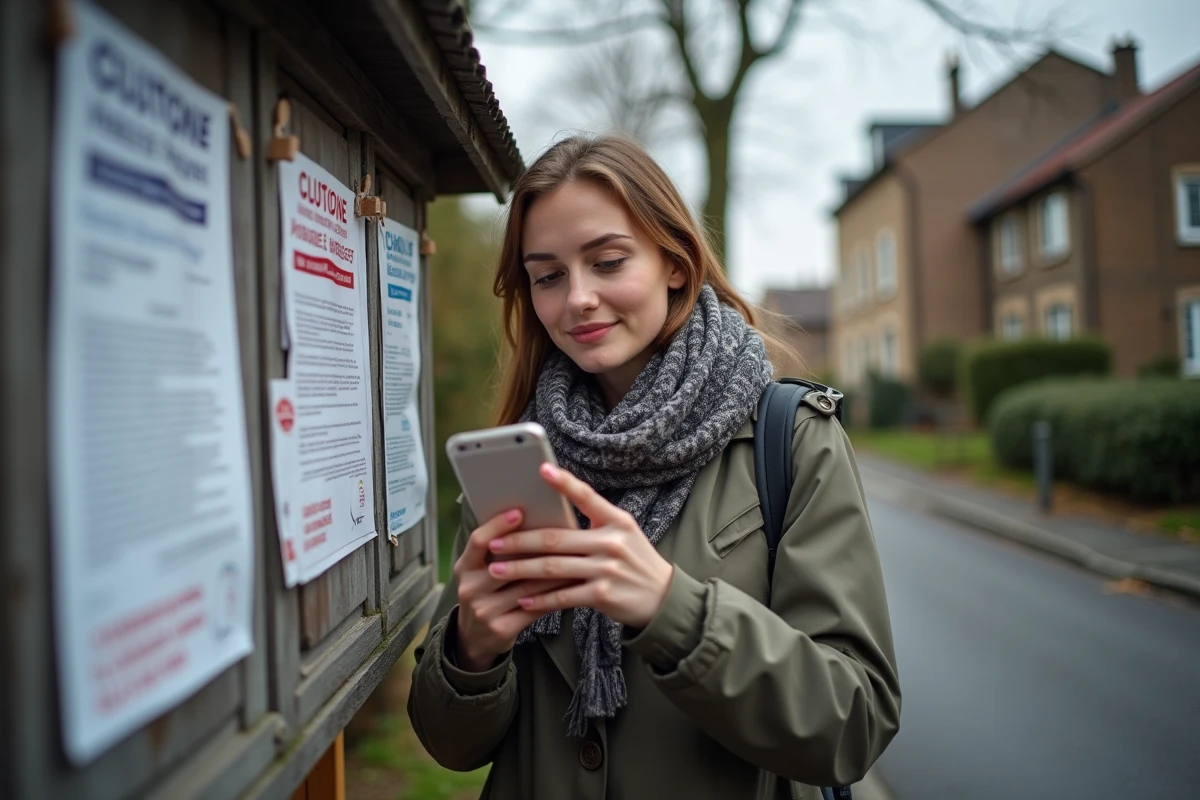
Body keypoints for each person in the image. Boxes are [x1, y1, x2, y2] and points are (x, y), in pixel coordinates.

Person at [408, 134, 900, 800]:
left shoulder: (791, 441)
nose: (578, 297)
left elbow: (854, 722)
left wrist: (673, 610)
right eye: (548, 275)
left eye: (607, 262)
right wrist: (471, 652)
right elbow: (450, 747)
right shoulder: (516, 464)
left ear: (674, 262)